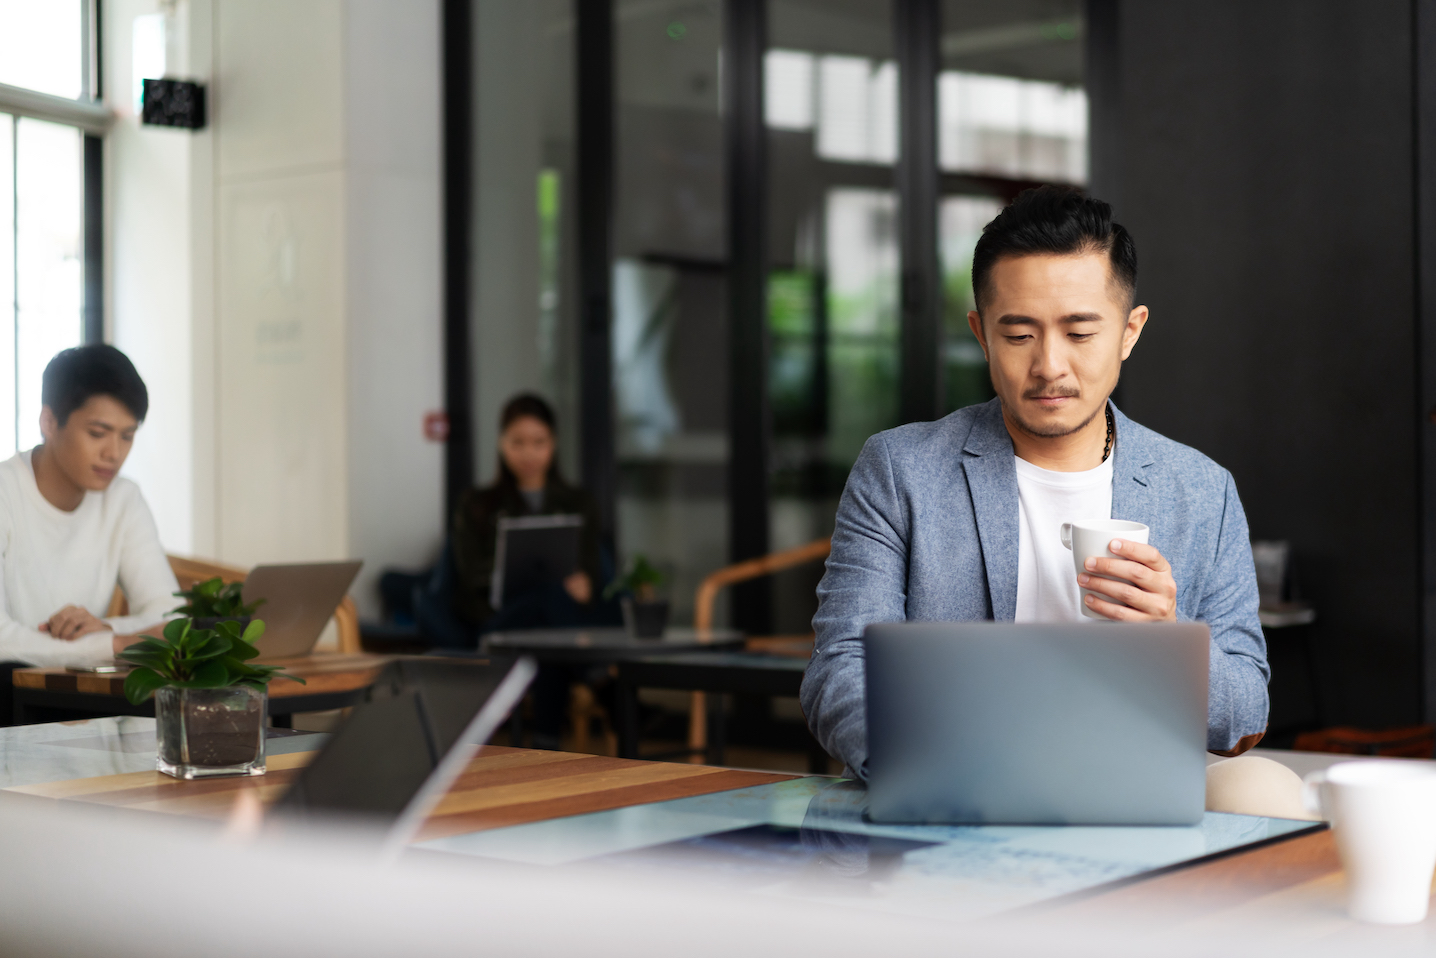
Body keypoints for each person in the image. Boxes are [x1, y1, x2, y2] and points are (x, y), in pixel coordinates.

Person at [800, 186, 1270, 786]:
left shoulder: (1201, 490)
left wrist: (1170, 639)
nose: (1049, 365)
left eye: (1079, 334)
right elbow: (839, 671)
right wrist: (946, 769)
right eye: (1020, 335)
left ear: (1129, 332)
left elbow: (1247, 709)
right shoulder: (901, 469)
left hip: (1129, 792)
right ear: (981, 333)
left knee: (1267, 789)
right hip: (955, 788)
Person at [0, 345, 179, 680]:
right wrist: (115, 644)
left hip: (80, 693)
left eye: (127, 436)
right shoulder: (5, 492)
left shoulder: (123, 498)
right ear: (49, 422)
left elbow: (170, 616)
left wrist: (106, 627)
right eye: (98, 433)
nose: (113, 453)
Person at [451, 393, 618, 747]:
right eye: (518, 443)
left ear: (553, 444)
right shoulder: (477, 505)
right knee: (547, 601)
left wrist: (584, 586)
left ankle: (547, 744)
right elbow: (469, 581)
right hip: (500, 622)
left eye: (539, 443)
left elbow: (593, 575)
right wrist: (510, 579)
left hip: (555, 623)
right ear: (501, 444)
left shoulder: (579, 503)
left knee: (547, 631)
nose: (529, 454)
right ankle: (600, 680)